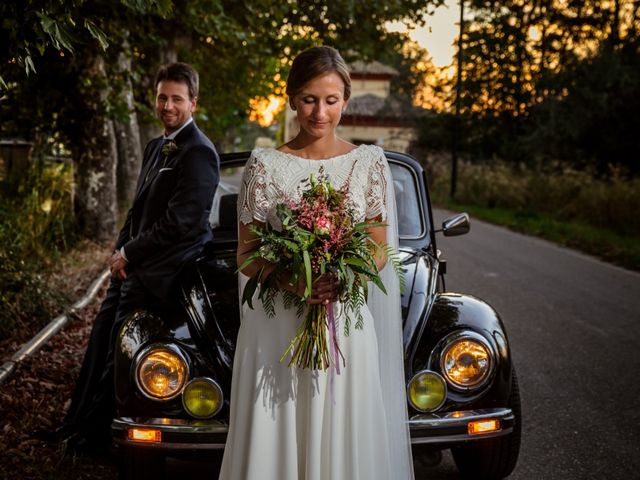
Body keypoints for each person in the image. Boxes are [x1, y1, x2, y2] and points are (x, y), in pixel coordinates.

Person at [219, 46, 414, 479]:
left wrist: (344, 276)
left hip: (343, 322)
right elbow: (247, 254)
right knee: (281, 428)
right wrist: (294, 282)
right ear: (291, 98)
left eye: (330, 100)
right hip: (278, 327)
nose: (319, 112)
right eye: (309, 98)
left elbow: (380, 247)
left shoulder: (369, 164)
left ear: (345, 100)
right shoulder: (263, 165)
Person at [38, 62, 220, 453]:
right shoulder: (157, 146)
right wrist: (119, 252)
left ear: (193, 103)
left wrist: (131, 254)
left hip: (165, 272)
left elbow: (181, 223)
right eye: (161, 97)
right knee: (100, 339)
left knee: (119, 353)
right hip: (133, 266)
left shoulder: (200, 153)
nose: (167, 105)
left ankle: (95, 438)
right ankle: (74, 424)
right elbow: (138, 211)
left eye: (176, 98)